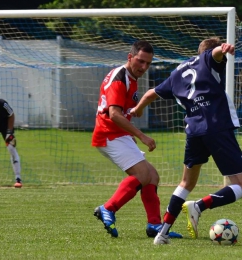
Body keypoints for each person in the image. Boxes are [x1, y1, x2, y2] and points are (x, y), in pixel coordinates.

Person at [130, 37, 242, 244]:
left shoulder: (178, 72)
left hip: (194, 131)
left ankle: (162, 233)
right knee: (241, 184)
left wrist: (137, 109)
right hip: (216, 127)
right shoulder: (208, 59)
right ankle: (199, 206)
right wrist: (223, 49)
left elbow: (151, 93)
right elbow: (215, 54)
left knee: (186, 183)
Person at [91, 40, 182, 239]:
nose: (144, 67)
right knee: (142, 174)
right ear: (130, 57)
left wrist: (133, 110)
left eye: (148, 63)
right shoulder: (120, 77)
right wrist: (142, 136)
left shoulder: (130, 78)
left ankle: (154, 225)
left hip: (118, 134)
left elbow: (120, 109)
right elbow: (114, 114)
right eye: (140, 61)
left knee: (152, 175)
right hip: (109, 134)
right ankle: (108, 208)